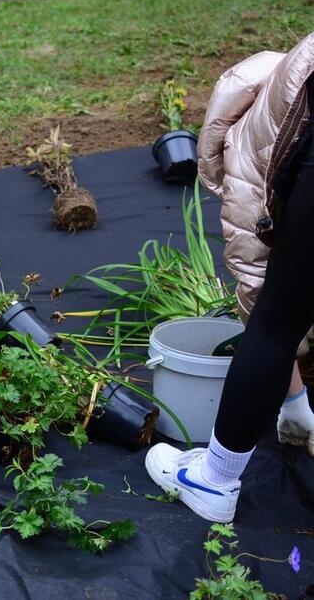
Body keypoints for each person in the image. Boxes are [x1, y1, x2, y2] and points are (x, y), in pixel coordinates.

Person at [145, 33, 314, 522]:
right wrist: (297, 403)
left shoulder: (250, 141)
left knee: (272, 326)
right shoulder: (286, 92)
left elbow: (265, 293)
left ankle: (214, 481)